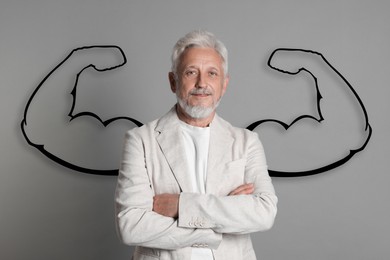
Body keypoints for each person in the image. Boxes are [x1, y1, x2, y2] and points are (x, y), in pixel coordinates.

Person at [115, 30, 278, 260]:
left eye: (212, 73)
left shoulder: (247, 142)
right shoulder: (140, 141)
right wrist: (223, 216)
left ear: (224, 84)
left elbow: (264, 213)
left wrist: (182, 206)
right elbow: (131, 227)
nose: (202, 83)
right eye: (191, 72)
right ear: (173, 81)